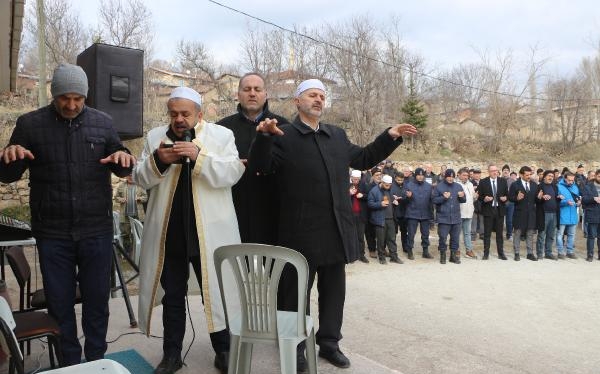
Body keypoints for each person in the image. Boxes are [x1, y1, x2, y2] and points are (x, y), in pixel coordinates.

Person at [248, 79, 417, 371]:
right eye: (312, 95)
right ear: (297, 102)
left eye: (322, 96)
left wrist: (389, 136)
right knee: (294, 294)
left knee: (334, 292)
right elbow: (260, 167)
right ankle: (295, 346)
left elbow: (363, 159)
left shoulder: (336, 135)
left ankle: (329, 343)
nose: (318, 100)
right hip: (298, 233)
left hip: (335, 230)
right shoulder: (283, 134)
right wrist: (262, 138)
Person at [0, 63, 135, 365]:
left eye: (78, 98)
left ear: (86, 96)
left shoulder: (103, 123)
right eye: (65, 98)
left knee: (97, 302)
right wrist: (7, 158)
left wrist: (125, 159)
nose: (71, 105)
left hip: (96, 231)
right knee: (60, 305)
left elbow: (121, 161)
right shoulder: (29, 124)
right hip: (53, 234)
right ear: (53, 93)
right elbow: (7, 175)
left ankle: (97, 360)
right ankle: (70, 364)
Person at [134, 87, 244, 374]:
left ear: (200, 114)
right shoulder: (155, 137)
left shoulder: (221, 136)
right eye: (173, 114)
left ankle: (223, 350)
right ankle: (171, 355)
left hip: (209, 234)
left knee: (215, 292)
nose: (179, 119)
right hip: (169, 233)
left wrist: (199, 156)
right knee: (173, 295)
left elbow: (233, 173)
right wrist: (160, 161)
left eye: (185, 114)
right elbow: (139, 177)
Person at [217, 72, 289, 244]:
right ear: (238, 94)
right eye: (247, 89)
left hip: (273, 212)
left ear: (266, 94)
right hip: (232, 212)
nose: (252, 93)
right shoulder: (221, 129)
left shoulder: (284, 126)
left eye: (257, 89)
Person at [432, 169, 466, 264]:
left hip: (456, 217)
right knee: (442, 237)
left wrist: (462, 196)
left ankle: (453, 256)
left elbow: (464, 200)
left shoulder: (458, 186)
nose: (450, 178)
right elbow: (434, 200)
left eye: (452, 177)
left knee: (455, 238)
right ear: (445, 177)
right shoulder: (439, 187)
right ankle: (442, 256)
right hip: (443, 217)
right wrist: (443, 198)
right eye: (448, 176)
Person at [368, 174, 403, 264]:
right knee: (381, 240)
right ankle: (382, 257)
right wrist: (380, 204)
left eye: (389, 185)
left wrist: (394, 201)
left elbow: (390, 199)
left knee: (392, 239)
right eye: (386, 185)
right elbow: (370, 204)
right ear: (382, 182)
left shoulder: (390, 189)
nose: (388, 187)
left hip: (390, 218)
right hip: (380, 219)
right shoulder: (374, 191)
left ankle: (394, 256)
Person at [478, 163, 509, 260]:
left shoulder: (503, 181)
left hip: (500, 210)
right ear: (489, 172)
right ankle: (486, 253)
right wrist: (485, 199)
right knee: (487, 234)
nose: (495, 172)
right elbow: (480, 196)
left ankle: (501, 253)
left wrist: (505, 198)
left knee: (499, 234)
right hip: (488, 210)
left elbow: (507, 194)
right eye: (492, 171)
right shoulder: (483, 182)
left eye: (496, 170)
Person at [508, 166, 538, 261]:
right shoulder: (515, 184)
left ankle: (530, 253)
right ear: (521, 174)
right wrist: (516, 198)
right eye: (527, 175)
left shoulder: (534, 185)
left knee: (530, 233)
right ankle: (516, 253)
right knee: (517, 233)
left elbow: (536, 199)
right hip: (519, 213)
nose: (529, 176)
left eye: (530, 174)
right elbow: (510, 198)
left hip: (531, 213)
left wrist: (539, 197)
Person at [404, 168, 434, 260]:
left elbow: (431, 201)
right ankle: (410, 251)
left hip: (425, 213)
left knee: (425, 234)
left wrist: (431, 215)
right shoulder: (409, 185)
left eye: (422, 175)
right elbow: (404, 200)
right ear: (415, 176)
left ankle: (425, 251)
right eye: (418, 175)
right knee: (411, 234)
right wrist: (408, 197)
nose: (420, 177)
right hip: (412, 213)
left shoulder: (429, 186)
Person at [114, 175, 147, 252]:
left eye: (132, 176)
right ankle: (127, 252)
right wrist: (120, 199)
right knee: (125, 234)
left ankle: (141, 251)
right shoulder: (121, 185)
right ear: (126, 177)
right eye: (129, 176)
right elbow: (116, 197)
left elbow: (145, 197)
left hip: (138, 215)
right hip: (125, 215)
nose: (131, 177)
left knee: (140, 234)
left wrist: (139, 198)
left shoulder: (140, 185)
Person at [535, 170, 560, 260]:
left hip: (554, 214)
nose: (550, 178)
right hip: (543, 214)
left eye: (552, 176)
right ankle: (539, 253)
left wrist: (558, 198)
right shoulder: (539, 186)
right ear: (544, 176)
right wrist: (541, 197)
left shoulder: (554, 187)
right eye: (549, 176)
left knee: (551, 235)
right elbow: (536, 200)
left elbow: (555, 199)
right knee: (542, 234)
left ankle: (548, 253)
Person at [555, 171, 580, 260]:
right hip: (562, 214)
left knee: (571, 234)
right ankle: (560, 252)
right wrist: (565, 202)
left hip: (573, 215)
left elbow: (578, 198)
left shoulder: (575, 187)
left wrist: (579, 203)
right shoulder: (558, 187)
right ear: (565, 179)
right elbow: (556, 201)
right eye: (569, 180)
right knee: (559, 234)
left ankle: (570, 251)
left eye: (572, 180)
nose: (571, 182)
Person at [349, 169, 370, 263]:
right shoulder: (346, 185)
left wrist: (363, 196)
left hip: (361, 214)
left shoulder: (364, 185)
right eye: (354, 179)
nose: (356, 181)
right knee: (350, 236)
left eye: (357, 179)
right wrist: (349, 194)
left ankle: (361, 254)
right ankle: (351, 255)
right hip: (350, 215)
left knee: (361, 236)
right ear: (351, 178)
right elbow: (341, 198)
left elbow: (369, 196)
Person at [457, 167, 478, 259]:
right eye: (464, 175)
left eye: (467, 175)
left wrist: (476, 196)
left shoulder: (470, 184)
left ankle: (468, 250)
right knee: (456, 233)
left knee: (467, 233)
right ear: (459, 175)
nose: (466, 177)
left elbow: (472, 198)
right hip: (459, 212)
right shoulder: (456, 184)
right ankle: (456, 250)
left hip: (469, 212)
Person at [581, 169, 600, 261]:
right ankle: (590, 255)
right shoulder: (588, 186)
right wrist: (593, 199)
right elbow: (584, 200)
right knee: (591, 236)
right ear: (596, 175)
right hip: (592, 214)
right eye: (599, 176)